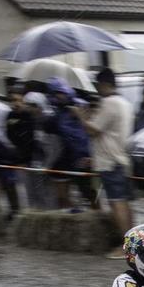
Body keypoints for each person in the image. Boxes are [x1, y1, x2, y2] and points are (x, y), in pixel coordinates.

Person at [71, 68, 135, 259]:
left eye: (98, 86)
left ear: (104, 84)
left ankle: (126, 248)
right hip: (123, 158)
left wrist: (81, 116)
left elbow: (94, 130)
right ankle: (133, 244)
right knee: (125, 203)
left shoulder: (109, 103)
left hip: (110, 160)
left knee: (117, 204)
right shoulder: (125, 103)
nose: (97, 89)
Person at [44, 77, 97, 212]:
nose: (60, 96)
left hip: (83, 156)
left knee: (90, 195)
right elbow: (49, 130)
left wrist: (88, 155)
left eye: (61, 92)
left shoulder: (80, 106)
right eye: (57, 93)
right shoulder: (56, 113)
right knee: (62, 195)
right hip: (66, 156)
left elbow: (90, 132)